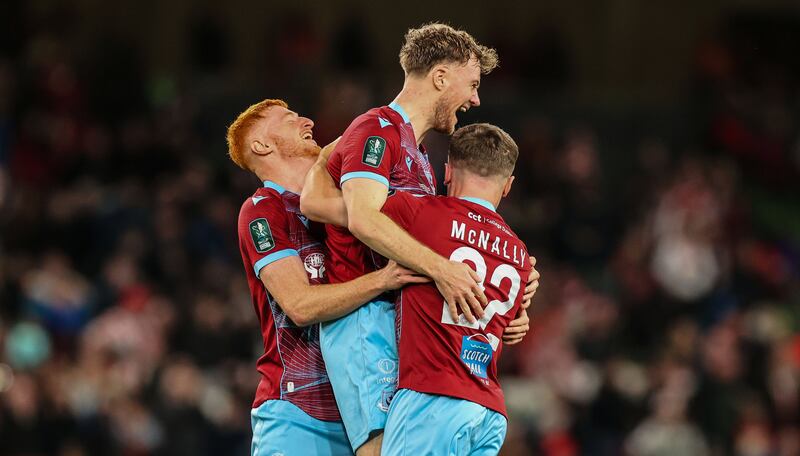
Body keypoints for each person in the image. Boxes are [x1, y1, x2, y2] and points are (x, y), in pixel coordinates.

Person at [300, 23, 538, 455]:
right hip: (363, 318)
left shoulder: (422, 158)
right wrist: (442, 269)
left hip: (403, 324)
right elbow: (361, 219)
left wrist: (505, 307)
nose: (476, 99)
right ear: (441, 78)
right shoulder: (379, 128)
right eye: (472, 84)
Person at [226, 98, 429, 456]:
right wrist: (384, 279)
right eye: (290, 119)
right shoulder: (264, 211)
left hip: (372, 407)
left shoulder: (354, 199)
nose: (306, 120)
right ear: (262, 145)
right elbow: (300, 306)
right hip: (300, 413)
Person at [379, 123, 530, 455]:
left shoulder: (420, 214)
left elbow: (342, 211)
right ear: (508, 186)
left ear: (446, 171)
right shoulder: (520, 254)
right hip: (488, 410)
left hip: (432, 399)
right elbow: (514, 320)